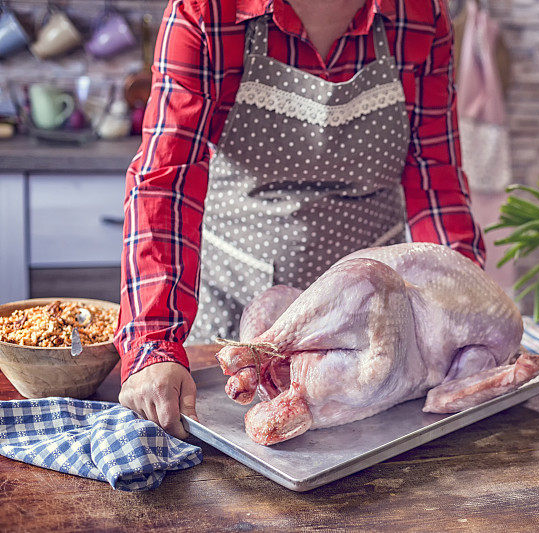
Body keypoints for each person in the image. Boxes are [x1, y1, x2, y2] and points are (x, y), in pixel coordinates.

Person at [115, 0, 485, 438]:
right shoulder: (209, 11)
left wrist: (465, 311)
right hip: (235, 323)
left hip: (373, 326)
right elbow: (167, 181)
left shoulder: (420, 15)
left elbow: (435, 179)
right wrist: (153, 346)